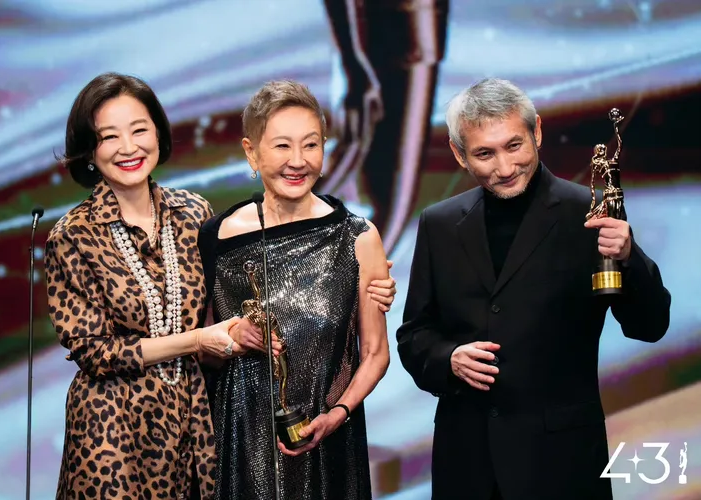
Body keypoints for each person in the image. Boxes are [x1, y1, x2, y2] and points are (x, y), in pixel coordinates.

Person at [396, 78, 671, 500]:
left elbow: (649, 326)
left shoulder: (588, 212)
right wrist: (448, 359)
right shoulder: (439, 223)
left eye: (514, 146)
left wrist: (630, 257)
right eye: (484, 154)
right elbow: (414, 336)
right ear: (458, 153)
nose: (505, 167)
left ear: (537, 131)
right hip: (466, 463)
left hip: (561, 463)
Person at [45, 72, 261, 500]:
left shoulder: (193, 211)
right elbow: (96, 353)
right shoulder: (72, 235)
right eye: (109, 136)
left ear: (159, 134)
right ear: (90, 152)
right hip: (111, 430)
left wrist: (360, 274)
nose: (128, 147)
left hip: (192, 418)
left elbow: (228, 297)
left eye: (139, 130)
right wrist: (195, 340)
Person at [200, 79, 391, 500]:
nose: (298, 161)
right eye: (282, 146)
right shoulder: (216, 237)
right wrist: (231, 338)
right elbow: (197, 350)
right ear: (251, 152)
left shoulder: (358, 237)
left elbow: (376, 353)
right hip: (241, 445)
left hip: (330, 443)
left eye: (311, 145)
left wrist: (337, 413)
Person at [318, 0, 450, 254]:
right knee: (387, 219)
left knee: (388, 220)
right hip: (388, 35)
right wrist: (355, 65)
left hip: (413, 33)